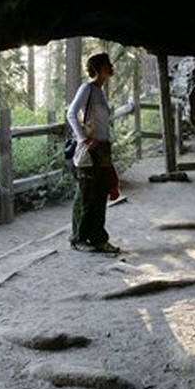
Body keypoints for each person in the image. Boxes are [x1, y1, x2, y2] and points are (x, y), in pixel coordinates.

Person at [67, 52, 125, 254]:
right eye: (108, 64)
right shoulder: (87, 88)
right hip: (90, 150)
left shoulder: (100, 92)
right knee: (86, 196)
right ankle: (79, 239)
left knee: (100, 195)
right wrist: (84, 139)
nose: (112, 66)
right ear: (99, 68)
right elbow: (71, 113)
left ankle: (99, 239)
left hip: (103, 149)